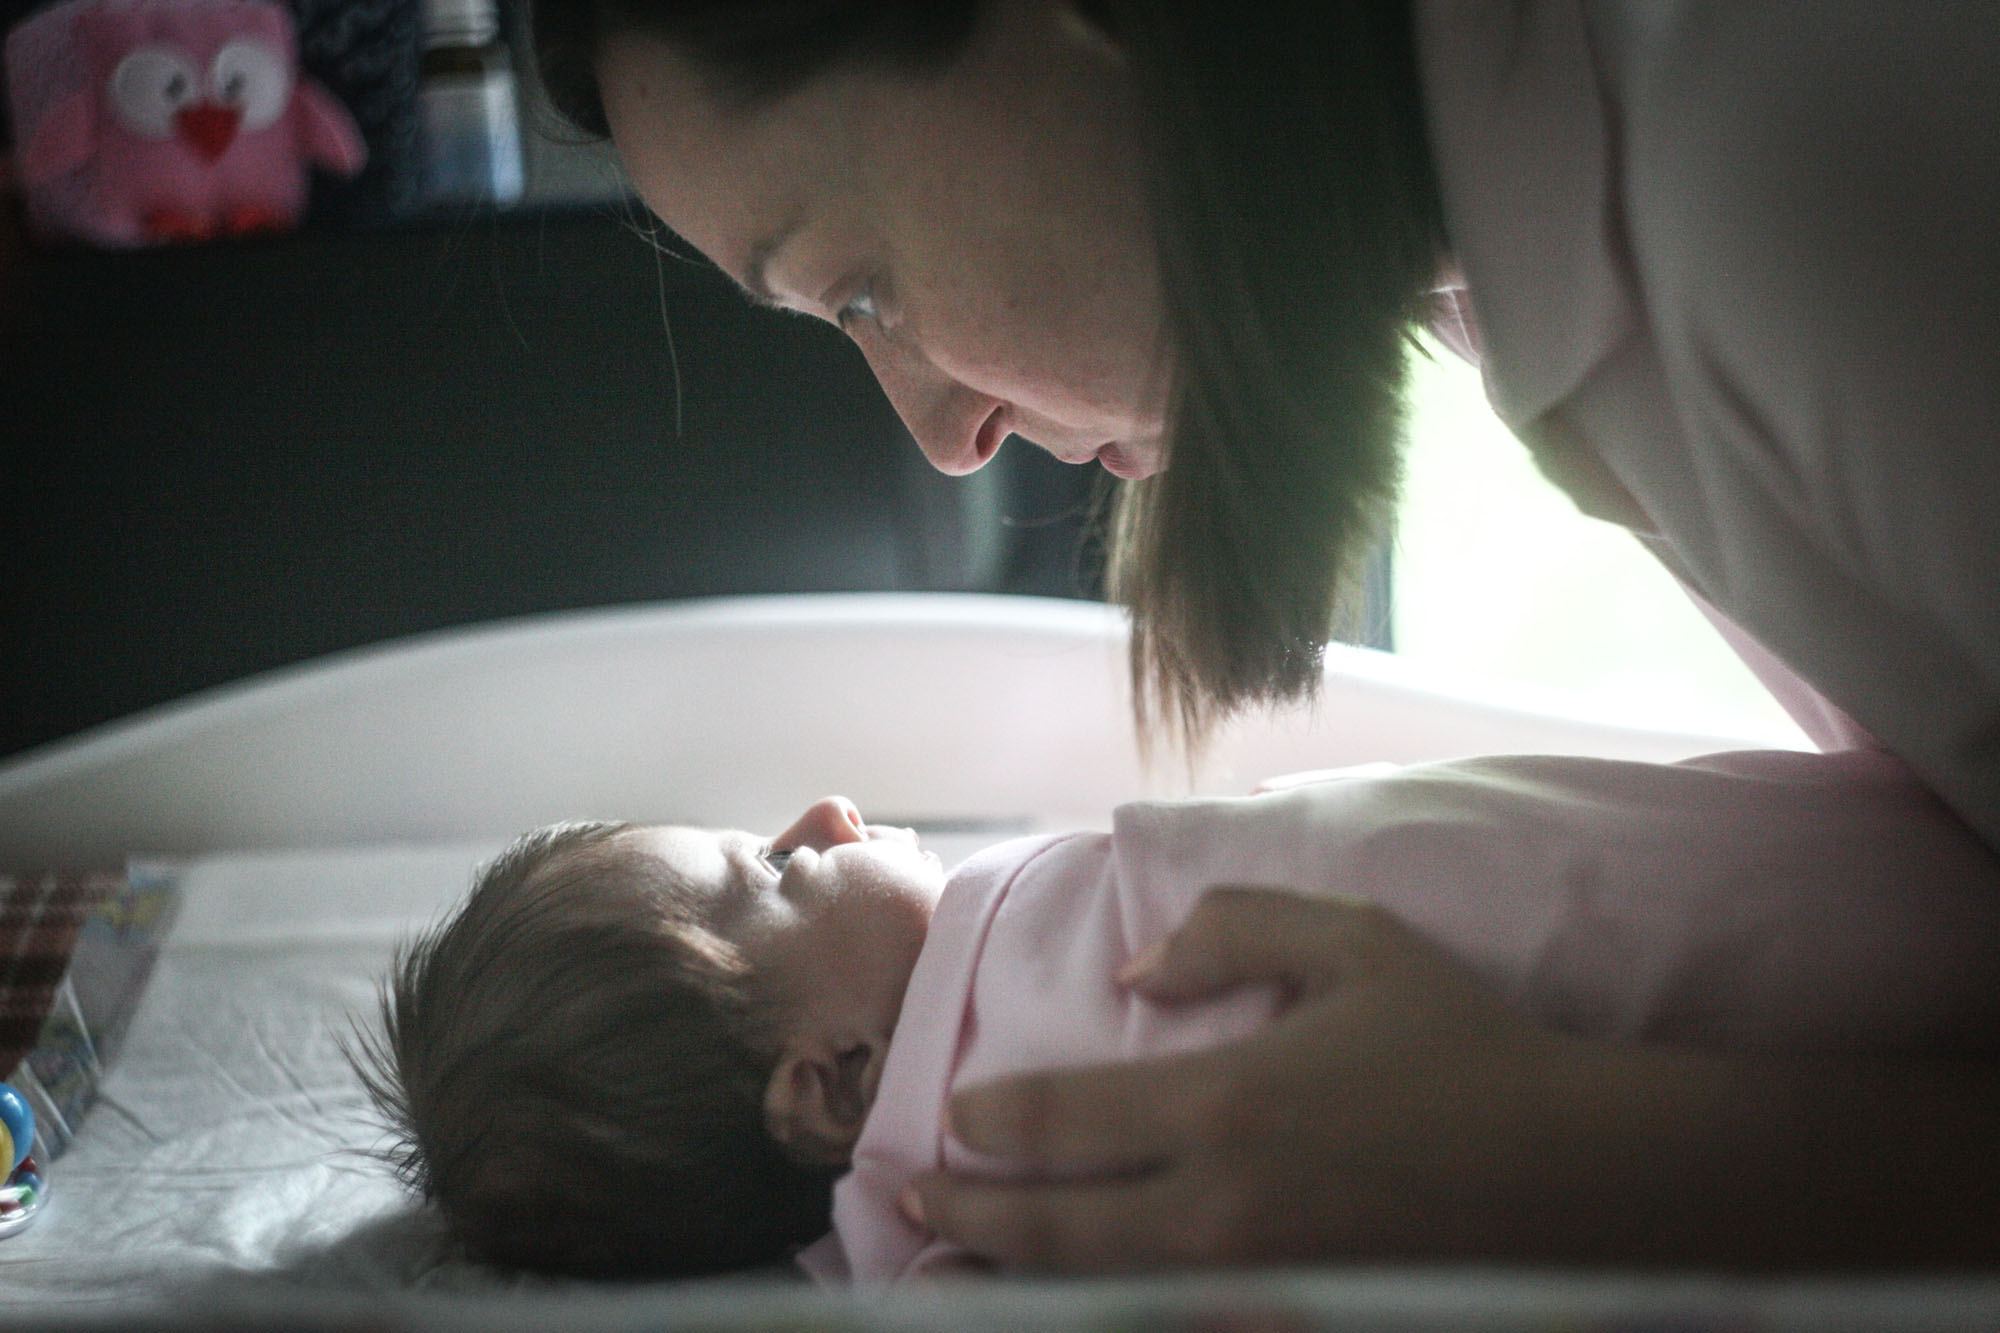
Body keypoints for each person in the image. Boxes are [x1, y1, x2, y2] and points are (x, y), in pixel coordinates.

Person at [518, 1, 2000, 1268]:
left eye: (860, 288)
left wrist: (1578, 1148)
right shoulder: (1518, 263)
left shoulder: (1794, 173)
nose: (944, 436)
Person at [359, 752, 2000, 1281]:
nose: (833, 813)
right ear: (826, 1080)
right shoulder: (1003, 1086)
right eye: (777, 872)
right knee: (1789, 904)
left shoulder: (927, 1245)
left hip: (1567, 970)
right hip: (1672, 939)